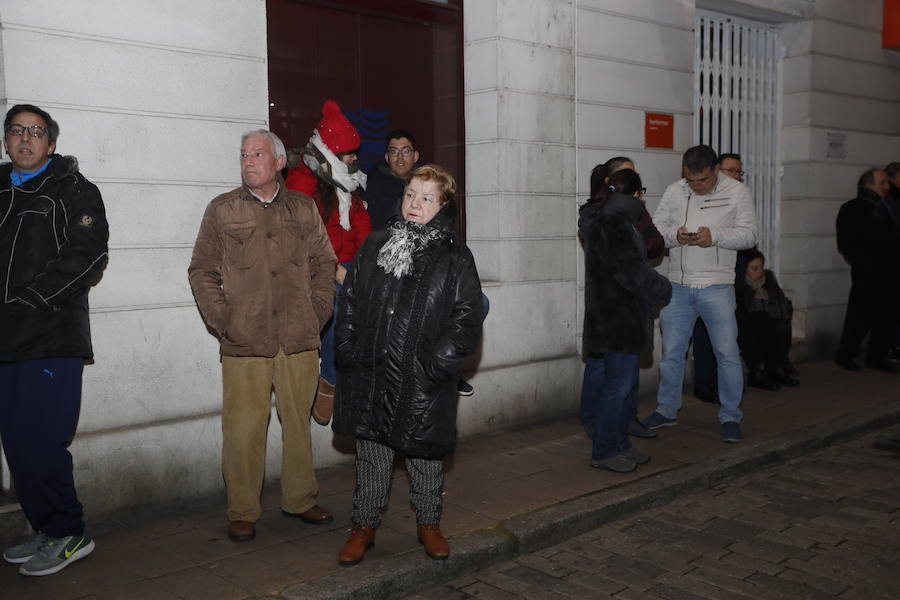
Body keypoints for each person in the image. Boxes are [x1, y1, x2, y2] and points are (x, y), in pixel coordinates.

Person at [188, 129, 337, 543]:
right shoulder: (222, 210)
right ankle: (242, 509)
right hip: (244, 339)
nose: (248, 161)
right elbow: (202, 270)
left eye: (257, 153)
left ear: (278, 162)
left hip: (299, 335)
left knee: (297, 423)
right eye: (243, 155)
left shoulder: (304, 208)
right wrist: (225, 319)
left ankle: (301, 499)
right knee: (242, 427)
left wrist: (318, 311)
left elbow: (325, 263)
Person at [333, 164, 484, 566]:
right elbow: (349, 299)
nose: (415, 204)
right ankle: (363, 527)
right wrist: (348, 346)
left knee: (425, 456)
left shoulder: (455, 257)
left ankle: (429, 524)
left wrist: (438, 366)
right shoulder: (376, 243)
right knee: (372, 455)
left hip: (422, 379)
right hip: (374, 371)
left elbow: (467, 318)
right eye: (411, 194)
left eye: (427, 197)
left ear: (444, 204)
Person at [0, 104, 108, 576]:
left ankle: (69, 531)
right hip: (4, 340)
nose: (26, 139)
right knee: (16, 442)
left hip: (49, 336)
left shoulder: (74, 190)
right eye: (17, 131)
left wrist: (30, 302)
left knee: (40, 439)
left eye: (36, 132)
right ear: (6, 140)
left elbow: (87, 255)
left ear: (51, 143)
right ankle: (46, 527)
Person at [642, 145, 758, 443]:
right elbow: (656, 228)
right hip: (678, 284)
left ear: (716, 170)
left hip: (717, 285)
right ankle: (667, 409)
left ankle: (731, 414)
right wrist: (675, 235)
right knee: (671, 354)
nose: (697, 186)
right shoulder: (675, 190)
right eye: (691, 180)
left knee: (727, 353)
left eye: (703, 180)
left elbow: (750, 235)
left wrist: (715, 237)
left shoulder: (737, 191)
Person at [579, 169, 672, 472]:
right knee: (617, 388)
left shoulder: (611, 220)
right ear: (635, 195)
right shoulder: (614, 223)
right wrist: (662, 287)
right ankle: (605, 450)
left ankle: (620, 444)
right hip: (617, 320)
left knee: (622, 385)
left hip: (616, 318)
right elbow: (631, 272)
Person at [285, 100, 371, 424]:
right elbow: (299, 239)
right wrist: (335, 270)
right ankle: (329, 380)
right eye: (349, 153)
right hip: (314, 269)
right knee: (338, 310)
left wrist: (366, 263)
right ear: (332, 153)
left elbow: (362, 226)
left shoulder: (349, 182)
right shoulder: (302, 183)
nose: (354, 158)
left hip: (347, 266)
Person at [834, 168, 899, 372]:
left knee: (886, 317)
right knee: (859, 316)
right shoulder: (852, 208)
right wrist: (864, 263)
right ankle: (846, 355)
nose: (887, 186)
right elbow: (847, 242)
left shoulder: (886, 206)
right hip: (868, 272)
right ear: (869, 185)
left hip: (889, 272)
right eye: (883, 183)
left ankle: (876, 358)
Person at [692, 152, 744, 403]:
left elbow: (746, 232)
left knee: (728, 338)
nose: (736, 176)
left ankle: (729, 388)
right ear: (716, 170)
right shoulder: (703, 196)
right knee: (704, 333)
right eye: (731, 170)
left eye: (739, 172)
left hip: (730, 269)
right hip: (704, 277)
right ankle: (705, 383)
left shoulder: (739, 195)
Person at [735, 248, 799, 389]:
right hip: (750, 321)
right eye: (754, 268)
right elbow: (743, 308)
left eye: (761, 267)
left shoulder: (768, 279)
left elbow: (781, 301)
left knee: (780, 325)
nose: (759, 271)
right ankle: (758, 371)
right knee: (756, 324)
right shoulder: (740, 285)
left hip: (771, 317)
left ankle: (777, 367)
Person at [363, 129, 419, 232]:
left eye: (406, 151)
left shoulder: (427, 185)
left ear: (415, 156)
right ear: (387, 158)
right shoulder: (373, 187)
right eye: (394, 152)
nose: (400, 157)